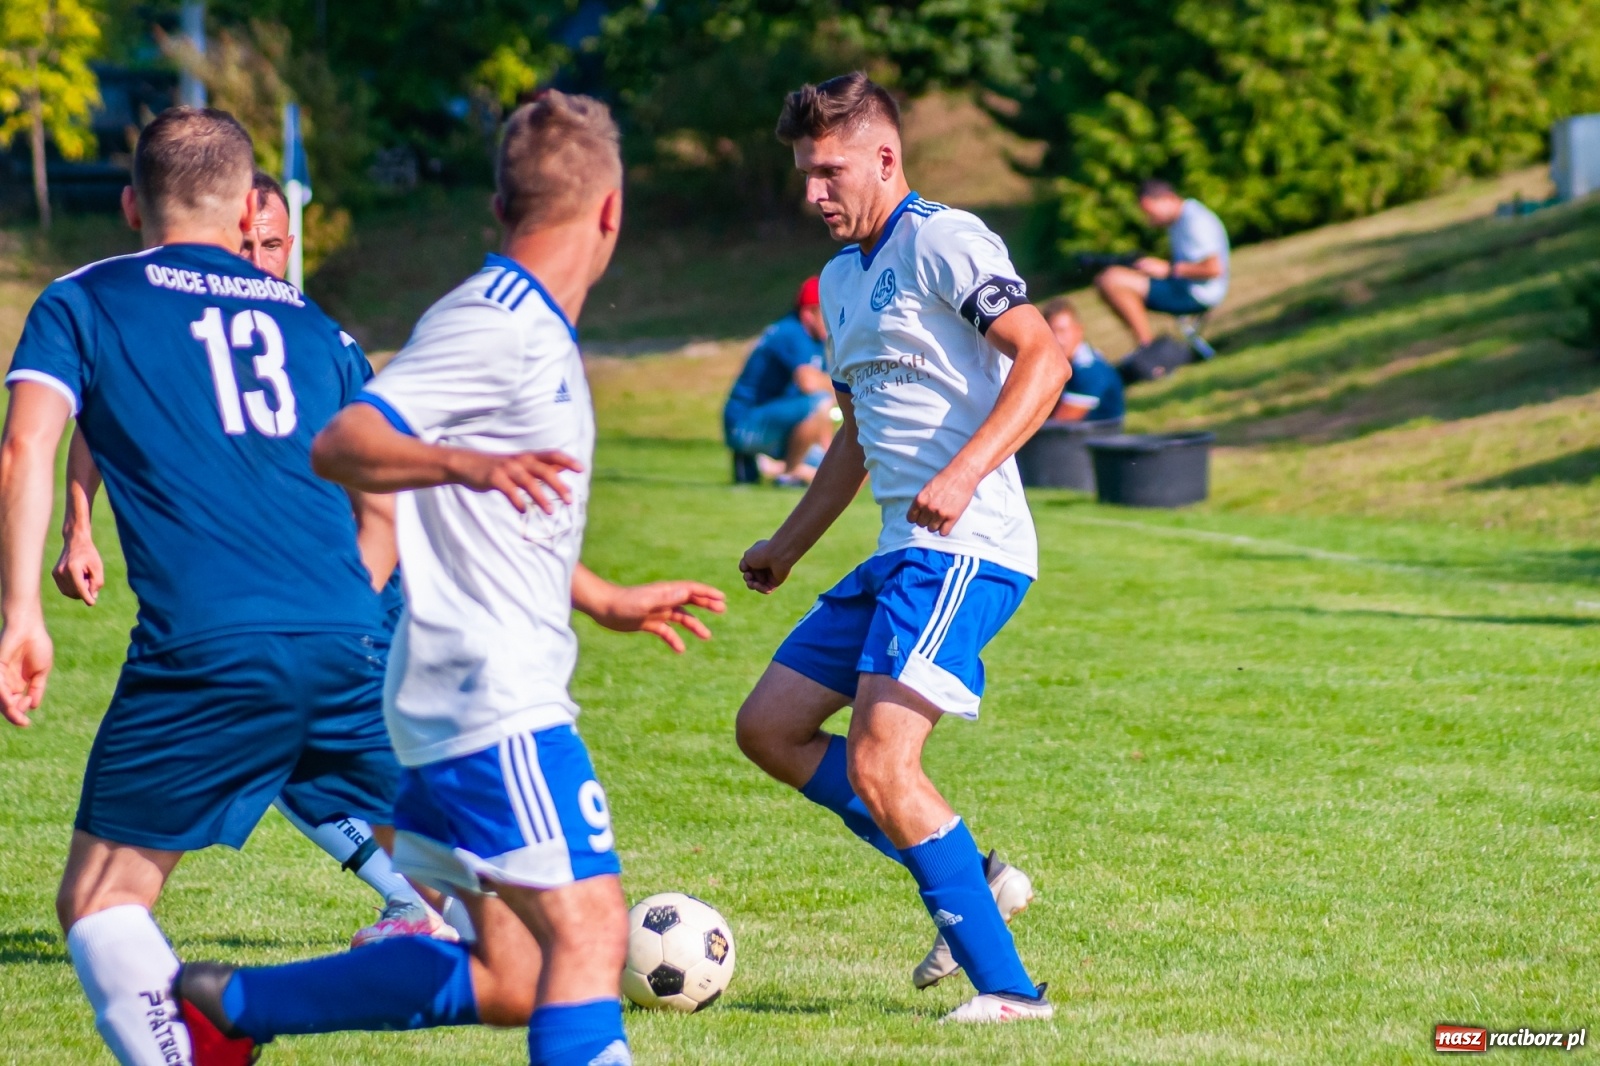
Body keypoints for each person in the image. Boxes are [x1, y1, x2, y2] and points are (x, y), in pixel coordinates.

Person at [174, 91, 725, 1066]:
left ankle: (231, 1005)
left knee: (514, 978)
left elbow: (495, 512)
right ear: (611, 211)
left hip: (457, 692)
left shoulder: (528, 326)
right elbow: (347, 440)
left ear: (500, 202)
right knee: (591, 937)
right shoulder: (499, 320)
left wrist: (597, 595)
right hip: (490, 697)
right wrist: (467, 463)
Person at [0, 107, 406, 1066]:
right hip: (354, 635)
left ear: (133, 201)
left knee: (101, 901)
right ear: (244, 215)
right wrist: (345, 612)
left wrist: (21, 613)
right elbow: (383, 494)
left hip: (208, 648)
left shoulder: (82, 298)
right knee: (491, 905)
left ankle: (216, 1029)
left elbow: (27, 445)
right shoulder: (316, 326)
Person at [733, 72, 1069, 1024]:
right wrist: (789, 543)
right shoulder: (841, 281)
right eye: (804, 173)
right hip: (896, 552)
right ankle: (976, 871)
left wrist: (963, 475)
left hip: (969, 548)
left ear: (886, 158)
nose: (813, 193)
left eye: (829, 171)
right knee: (770, 729)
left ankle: (1009, 994)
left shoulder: (943, 240)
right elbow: (854, 432)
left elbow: (1045, 356)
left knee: (884, 763)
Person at [48, 168, 454, 950]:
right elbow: (102, 413)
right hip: (286, 598)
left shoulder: (316, 334)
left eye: (272, 244)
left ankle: (474, 913)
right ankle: (480, 916)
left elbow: (384, 473)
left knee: (334, 759)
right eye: (248, 242)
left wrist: (363, 589)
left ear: (289, 243)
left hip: (352, 582)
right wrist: (77, 525)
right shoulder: (168, 323)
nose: (259, 257)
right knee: (303, 760)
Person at [723, 275, 835, 484]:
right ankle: (788, 473)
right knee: (819, 400)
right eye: (827, 311)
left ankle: (772, 466)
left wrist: (829, 452)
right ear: (809, 313)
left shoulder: (815, 340)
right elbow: (808, 383)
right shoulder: (792, 333)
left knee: (833, 468)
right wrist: (843, 385)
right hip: (745, 425)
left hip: (773, 422)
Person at [1092, 179, 1230, 349]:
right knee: (1107, 280)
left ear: (1167, 198)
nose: (1149, 219)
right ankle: (1147, 347)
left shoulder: (1195, 221)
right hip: (1184, 287)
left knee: (1111, 280)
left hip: (1197, 294)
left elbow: (1214, 269)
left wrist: (1168, 269)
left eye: (1150, 212)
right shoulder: (1181, 220)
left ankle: (1148, 348)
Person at [1040, 297, 1124, 423]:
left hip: (1098, 438)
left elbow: (1059, 424)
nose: (1058, 339)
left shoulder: (1089, 370)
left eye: (1062, 331)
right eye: (1051, 332)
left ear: (1079, 330)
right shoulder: (1065, 365)